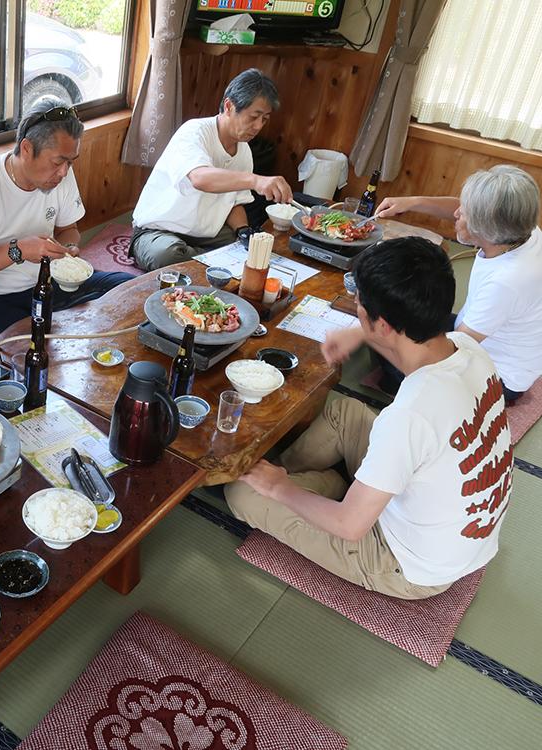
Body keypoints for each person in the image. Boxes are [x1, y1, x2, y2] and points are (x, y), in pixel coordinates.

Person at [225, 237, 512, 599]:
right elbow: (403, 346)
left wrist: (277, 489)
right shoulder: (466, 347)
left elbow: (349, 526)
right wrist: (362, 334)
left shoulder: (410, 413)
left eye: (359, 306)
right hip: (458, 529)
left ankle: (296, 486)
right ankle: (307, 484)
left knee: (242, 494)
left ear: (385, 324)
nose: (357, 309)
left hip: (407, 563)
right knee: (344, 412)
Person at [0, 96, 133, 348]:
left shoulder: (62, 174)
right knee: (34, 349)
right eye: (58, 162)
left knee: (132, 291)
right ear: (26, 149)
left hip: (51, 282)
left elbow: (69, 229)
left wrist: (67, 249)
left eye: (70, 162)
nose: (64, 172)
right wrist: (18, 250)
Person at [370, 164, 542, 403]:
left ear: (484, 228)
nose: (456, 212)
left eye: (465, 212)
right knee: (400, 316)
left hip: (497, 376)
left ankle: (404, 393)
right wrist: (411, 202)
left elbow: (451, 354)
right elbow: (469, 209)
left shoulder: (506, 282)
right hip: (486, 336)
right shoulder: (521, 227)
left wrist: (373, 337)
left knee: (385, 331)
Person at [129, 68, 293, 272]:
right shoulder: (194, 132)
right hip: (159, 231)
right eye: (254, 117)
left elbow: (234, 202)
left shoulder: (244, 151)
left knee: (253, 248)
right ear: (229, 106)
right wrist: (256, 180)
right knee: (167, 255)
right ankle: (210, 263)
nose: (258, 126)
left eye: (265, 119)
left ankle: (205, 261)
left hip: (205, 235)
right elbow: (200, 178)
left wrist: (243, 232)